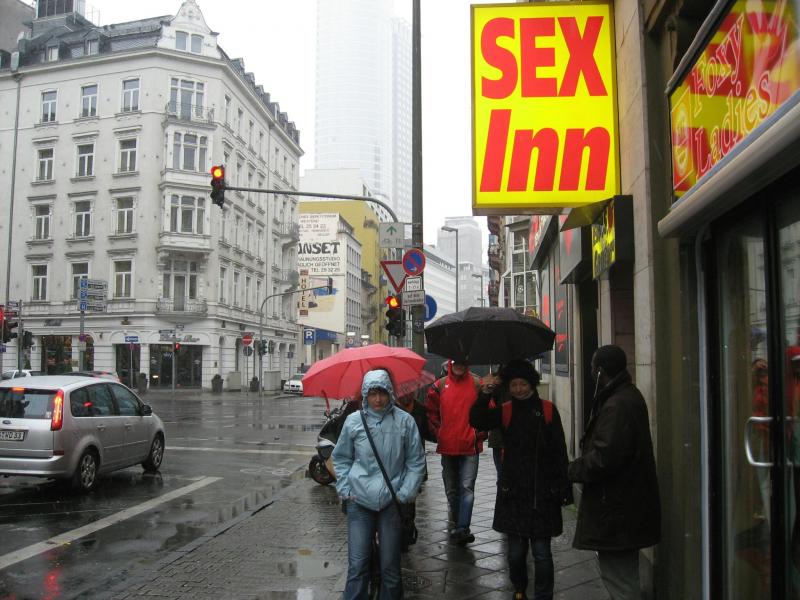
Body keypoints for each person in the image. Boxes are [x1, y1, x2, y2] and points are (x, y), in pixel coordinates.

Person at [470, 359, 571, 600]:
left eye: (523, 384)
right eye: (514, 384)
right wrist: (485, 393)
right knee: (515, 553)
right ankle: (519, 590)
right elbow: (477, 419)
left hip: (542, 492)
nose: (518, 389)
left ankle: (544, 595)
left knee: (542, 552)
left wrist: (563, 488)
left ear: (532, 384)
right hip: (513, 492)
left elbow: (560, 451)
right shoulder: (506, 410)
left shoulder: (547, 410)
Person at [568, 345, 660, 600]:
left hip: (618, 507)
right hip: (625, 505)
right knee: (623, 575)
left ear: (600, 371)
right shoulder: (624, 396)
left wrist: (571, 469)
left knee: (619, 580)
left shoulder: (617, 405)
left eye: (592, 366)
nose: (589, 371)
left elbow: (604, 458)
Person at [332, 369, 426, 600]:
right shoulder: (354, 421)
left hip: (391, 503)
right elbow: (341, 458)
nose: (378, 399)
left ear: (390, 393)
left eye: (382, 393)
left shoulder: (405, 421)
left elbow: (416, 461)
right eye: (372, 394)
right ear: (365, 395)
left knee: (390, 567)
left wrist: (405, 493)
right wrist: (345, 489)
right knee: (357, 565)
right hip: (358, 502)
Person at [426, 359, 483, 544]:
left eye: (463, 362)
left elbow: (486, 408)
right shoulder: (439, 386)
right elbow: (431, 412)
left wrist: (479, 433)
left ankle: (463, 527)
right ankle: (458, 522)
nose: (459, 366)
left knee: (467, 487)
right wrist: (439, 432)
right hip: (448, 446)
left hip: (470, 446)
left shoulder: (477, 384)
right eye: (456, 362)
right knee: (451, 488)